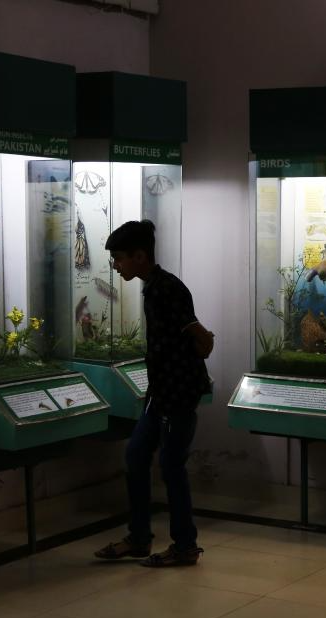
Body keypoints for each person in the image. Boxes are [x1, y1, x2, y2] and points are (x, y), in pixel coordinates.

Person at [94, 219, 214, 567]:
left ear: (140, 256)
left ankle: (185, 545)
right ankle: (139, 538)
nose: (116, 265)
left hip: (178, 394)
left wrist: (195, 357)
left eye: (119, 258)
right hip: (159, 393)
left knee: (171, 466)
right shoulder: (152, 287)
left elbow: (201, 337)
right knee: (135, 456)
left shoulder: (168, 289)